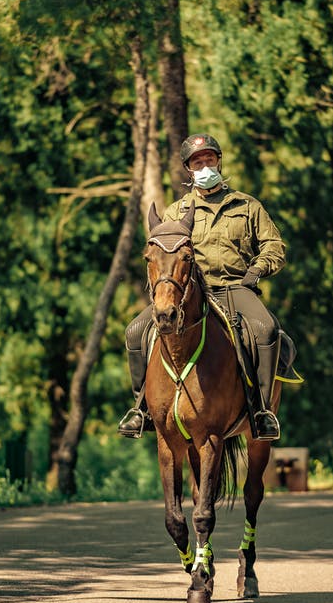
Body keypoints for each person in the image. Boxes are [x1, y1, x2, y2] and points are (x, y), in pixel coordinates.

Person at [118, 132, 286, 440]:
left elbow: (274, 245)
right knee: (134, 331)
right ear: (188, 169)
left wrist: (258, 270)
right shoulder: (174, 212)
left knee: (265, 328)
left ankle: (262, 411)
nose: (205, 165)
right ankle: (141, 408)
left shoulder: (247, 206)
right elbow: (161, 256)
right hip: (186, 294)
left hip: (235, 288)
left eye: (209, 159)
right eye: (198, 161)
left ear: (219, 162)